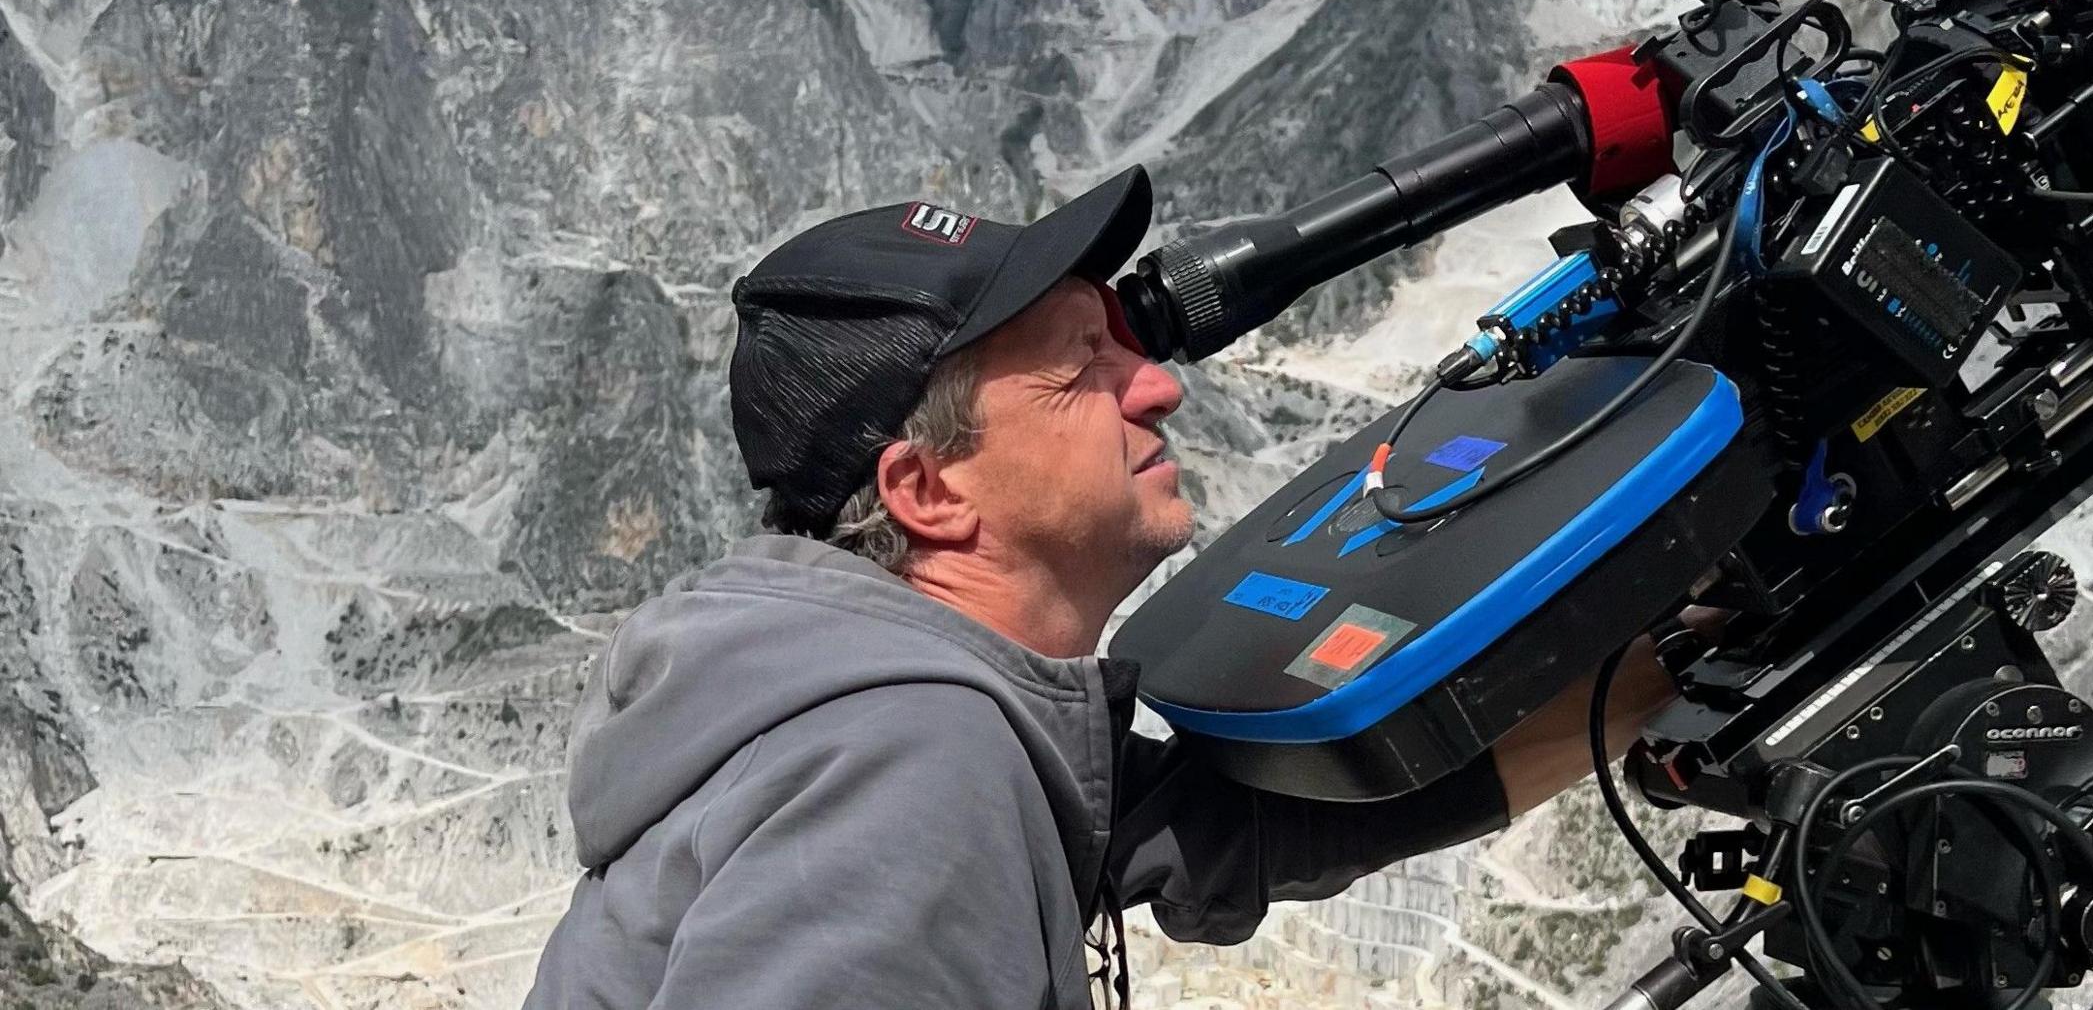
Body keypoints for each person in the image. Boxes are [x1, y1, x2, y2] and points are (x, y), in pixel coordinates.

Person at [523, 167, 1674, 1009]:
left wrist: (1657, 666)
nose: (1159, 386)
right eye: (1081, 364)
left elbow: (1247, 829)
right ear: (928, 490)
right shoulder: (916, 755)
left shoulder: (881, 702)